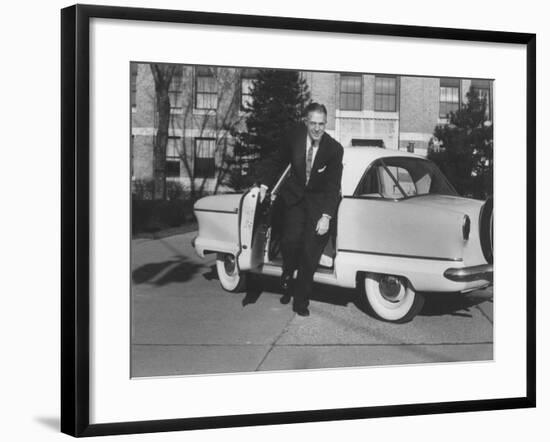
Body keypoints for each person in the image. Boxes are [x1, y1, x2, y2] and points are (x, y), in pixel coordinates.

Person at [256, 103, 344, 316]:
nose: (316, 129)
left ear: (326, 124)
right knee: (290, 241)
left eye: (321, 124)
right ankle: (286, 272)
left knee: (310, 254)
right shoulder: (294, 137)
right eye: (312, 123)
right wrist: (265, 185)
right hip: (294, 200)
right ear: (306, 122)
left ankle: (300, 301)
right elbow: (277, 161)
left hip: (318, 205)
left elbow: (333, 187)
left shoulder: (334, 149)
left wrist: (326, 217)